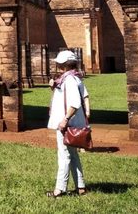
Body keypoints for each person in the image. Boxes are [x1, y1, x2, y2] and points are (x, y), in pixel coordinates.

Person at [46, 50, 89, 197]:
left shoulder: (69, 80)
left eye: (58, 63)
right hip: (71, 123)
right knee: (72, 155)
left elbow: (75, 103)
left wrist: (65, 120)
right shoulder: (72, 78)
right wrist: (54, 87)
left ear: (63, 65)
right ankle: (81, 187)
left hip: (66, 124)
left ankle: (60, 189)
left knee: (63, 156)